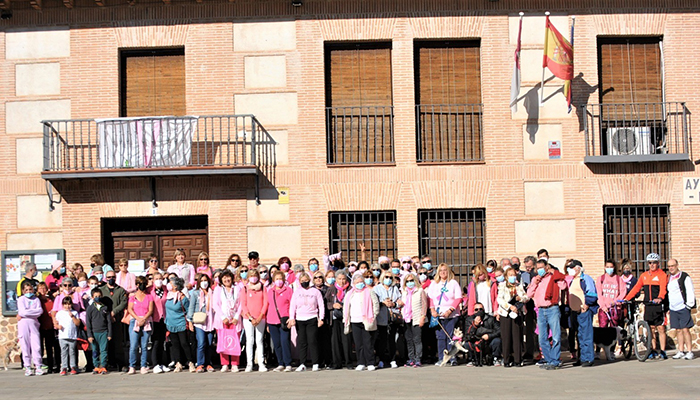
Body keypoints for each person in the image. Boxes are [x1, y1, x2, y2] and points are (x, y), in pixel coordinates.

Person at [624, 253, 669, 359]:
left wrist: (660, 297)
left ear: (658, 263)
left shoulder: (662, 275)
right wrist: (627, 298)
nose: (652, 265)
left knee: (661, 328)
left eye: (654, 263)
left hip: (658, 305)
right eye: (650, 263)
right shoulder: (644, 275)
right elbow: (636, 288)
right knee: (651, 328)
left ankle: (662, 351)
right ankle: (653, 349)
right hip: (648, 305)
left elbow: (663, 288)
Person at [526, 258, 567, 370]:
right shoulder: (535, 279)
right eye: (538, 268)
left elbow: (563, 286)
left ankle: (555, 360)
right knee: (542, 338)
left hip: (552, 308)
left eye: (541, 268)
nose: (539, 270)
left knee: (556, 336)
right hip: (540, 310)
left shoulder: (553, 277)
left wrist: (555, 274)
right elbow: (529, 294)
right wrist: (535, 283)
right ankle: (549, 360)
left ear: (546, 267)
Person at [427, 263, 462, 366]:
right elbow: (430, 298)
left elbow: (458, 298)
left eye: (445, 270)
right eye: (441, 270)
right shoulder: (434, 284)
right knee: (441, 337)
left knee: (450, 336)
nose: (443, 272)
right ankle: (442, 358)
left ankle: (452, 357)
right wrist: (432, 310)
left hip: (451, 315)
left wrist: (450, 311)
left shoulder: (453, 283)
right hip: (438, 314)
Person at [288, 272, 325, 372]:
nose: (304, 282)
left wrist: (321, 318)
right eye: (302, 281)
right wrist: (292, 318)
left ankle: (315, 363)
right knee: (302, 342)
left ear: (309, 280)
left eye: (306, 280)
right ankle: (302, 363)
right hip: (300, 319)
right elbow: (292, 306)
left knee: (312, 341)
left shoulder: (315, 292)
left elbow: (321, 305)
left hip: (312, 318)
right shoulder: (296, 292)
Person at [343, 273, 380, 371]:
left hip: (367, 321)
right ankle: (361, 362)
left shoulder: (369, 291)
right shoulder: (350, 293)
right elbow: (346, 307)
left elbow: (375, 304)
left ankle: (370, 362)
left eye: (361, 282)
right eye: (357, 282)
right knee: (358, 343)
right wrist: (346, 319)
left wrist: (373, 316)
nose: (360, 284)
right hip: (355, 321)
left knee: (368, 343)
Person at [566, 260, 598, 367]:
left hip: (584, 311)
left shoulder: (586, 279)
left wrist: (587, 305)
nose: (570, 270)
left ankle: (588, 358)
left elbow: (592, 293)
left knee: (586, 335)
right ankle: (581, 357)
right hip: (575, 311)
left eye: (572, 267)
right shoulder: (573, 280)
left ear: (578, 268)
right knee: (579, 335)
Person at [497, 267, 529, 367]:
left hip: (517, 313)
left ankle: (518, 359)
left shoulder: (519, 286)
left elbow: (526, 297)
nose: (513, 277)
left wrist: (521, 298)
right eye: (510, 275)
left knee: (517, 336)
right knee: (506, 336)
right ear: (506, 276)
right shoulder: (502, 286)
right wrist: (509, 306)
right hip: (506, 313)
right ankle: (507, 359)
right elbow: (499, 299)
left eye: (514, 275)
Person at [212, 270, 243, 372]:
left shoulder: (237, 288)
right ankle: (224, 363)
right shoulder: (218, 289)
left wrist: (237, 316)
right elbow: (215, 304)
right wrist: (223, 317)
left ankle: (235, 364)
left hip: (234, 319)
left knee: (235, 341)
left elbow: (241, 303)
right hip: (222, 320)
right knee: (223, 341)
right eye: (224, 278)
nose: (226, 280)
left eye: (228, 277)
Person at [666, 259, 695, 360]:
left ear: (677, 265)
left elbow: (690, 290)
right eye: (669, 266)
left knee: (685, 329)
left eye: (673, 266)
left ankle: (689, 351)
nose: (671, 268)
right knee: (678, 330)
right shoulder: (669, 278)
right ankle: (681, 351)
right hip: (673, 308)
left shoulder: (684, 276)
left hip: (683, 307)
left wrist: (689, 305)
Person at [373, 270, 403, 369]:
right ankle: (381, 359)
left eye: (390, 277)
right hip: (381, 317)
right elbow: (374, 302)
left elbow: (400, 302)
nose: (388, 279)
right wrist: (383, 303)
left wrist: (394, 304)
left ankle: (393, 359)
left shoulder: (395, 289)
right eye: (386, 277)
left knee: (392, 340)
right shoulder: (377, 289)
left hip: (392, 317)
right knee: (382, 340)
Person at [165, 277, 195, 372]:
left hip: (181, 323)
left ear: (175, 286)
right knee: (175, 344)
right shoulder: (168, 296)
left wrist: (190, 322)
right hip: (171, 324)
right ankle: (178, 363)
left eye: (171, 283)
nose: (169, 285)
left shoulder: (182, 297)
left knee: (184, 343)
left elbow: (188, 310)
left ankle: (190, 362)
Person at [100, 270, 128, 371]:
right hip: (104, 320)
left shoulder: (120, 290)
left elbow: (123, 303)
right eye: (108, 277)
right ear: (105, 278)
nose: (111, 279)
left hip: (116, 319)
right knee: (105, 342)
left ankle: (121, 364)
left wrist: (113, 312)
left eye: (113, 277)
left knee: (118, 342)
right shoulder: (101, 290)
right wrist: (107, 314)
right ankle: (106, 363)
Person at [240, 268, 268, 372]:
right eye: (251, 276)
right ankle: (249, 364)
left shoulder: (263, 287)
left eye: (255, 275)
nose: (253, 278)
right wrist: (250, 317)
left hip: (260, 318)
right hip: (248, 318)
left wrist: (260, 316)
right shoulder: (245, 289)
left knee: (259, 340)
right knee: (250, 340)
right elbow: (243, 304)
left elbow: (266, 303)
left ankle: (261, 363)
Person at [187, 274, 215, 372]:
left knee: (209, 343)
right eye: (202, 281)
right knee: (201, 343)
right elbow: (191, 307)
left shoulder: (212, 293)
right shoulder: (196, 293)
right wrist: (190, 321)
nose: (204, 283)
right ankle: (200, 364)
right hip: (199, 322)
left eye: (205, 280)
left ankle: (208, 363)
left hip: (210, 321)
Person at [17, 281, 46, 376]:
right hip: (23, 323)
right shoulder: (21, 299)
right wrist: (31, 312)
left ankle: (38, 366)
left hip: (34, 324)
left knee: (36, 345)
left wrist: (28, 312)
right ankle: (27, 366)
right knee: (25, 345)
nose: (29, 291)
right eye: (26, 290)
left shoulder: (36, 299)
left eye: (30, 289)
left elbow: (39, 311)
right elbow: (22, 312)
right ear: (23, 291)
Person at [126, 276, 154, 374]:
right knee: (133, 345)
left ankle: (143, 365)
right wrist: (138, 319)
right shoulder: (132, 297)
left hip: (146, 321)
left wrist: (144, 319)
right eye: (140, 284)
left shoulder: (149, 296)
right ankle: (132, 366)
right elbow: (130, 309)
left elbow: (151, 310)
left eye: (144, 284)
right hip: (135, 321)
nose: (142, 286)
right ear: (137, 285)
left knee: (144, 345)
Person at [325, 270, 352, 370]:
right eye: (339, 279)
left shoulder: (350, 289)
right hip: (335, 318)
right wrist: (333, 305)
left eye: (343, 279)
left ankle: (349, 362)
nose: (342, 281)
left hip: (346, 317)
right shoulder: (331, 289)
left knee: (346, 340)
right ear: (336, 279)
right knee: (335, 341)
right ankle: (337, 363)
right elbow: (325, 302)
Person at [266, 271, 292, 372]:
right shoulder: (270, 291)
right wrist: (267, 323)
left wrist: (291, 318)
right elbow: (268, 305)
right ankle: (280, 363)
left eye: (280, 279)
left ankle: (288, 363)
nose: (279, 281)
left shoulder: (288, 290)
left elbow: (291, 304)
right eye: (276, 279)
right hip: (272, 320)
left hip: (284, 320)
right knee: (276, 343)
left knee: (284, 341)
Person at [401, 273, 427, 367]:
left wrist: (423, 317)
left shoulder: (420, 290)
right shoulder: (404, 292)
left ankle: (418, 359)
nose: (410, 283)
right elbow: (403, 303)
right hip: (407, 318)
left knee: (417, 339)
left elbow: (424, 305)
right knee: (409, 339)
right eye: (407, 281)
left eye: (411, 280)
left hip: (417, 317)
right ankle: (411, 358)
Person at [86, 287, 112, 375]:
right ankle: (96, 366)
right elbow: (88, 322)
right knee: (95, 350)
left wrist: (109, 334)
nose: (98, 298)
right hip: (94, 333)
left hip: (104, 332)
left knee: (104, 350)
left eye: (99, 296)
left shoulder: (105, 308)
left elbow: (109, 322)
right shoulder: (90, 308)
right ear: (92, 297)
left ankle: (103, 366)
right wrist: (89, 335)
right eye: (96, 296)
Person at [148, 272, 170, 373]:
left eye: (160, 278)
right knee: (155, 342)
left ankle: (161, 363)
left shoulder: (165, 289)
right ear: (153, 280)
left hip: (164, 318)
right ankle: (155, 363)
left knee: (162, 341)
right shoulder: (150, 290)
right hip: (154, 319)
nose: (159, 281)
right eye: (156, 279)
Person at [36, 282, 60, 373]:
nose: (42, 290)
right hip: (39, 326)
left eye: (44, 288)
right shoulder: (36, 300)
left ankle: (51, 366)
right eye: (40, 288)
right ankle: (39, 365)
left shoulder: (51, 300)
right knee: (39, 347)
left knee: (50, 347)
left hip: (49, 326)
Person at [56, 296, 81, 375]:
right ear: (63, 305)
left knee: (72, 352)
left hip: (72, 336)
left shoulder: (75, 313)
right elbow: (56, 323)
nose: (67, 306)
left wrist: (72, 317)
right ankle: (64, 367)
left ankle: (73, 366)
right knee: (64, 352)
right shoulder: (59, 313)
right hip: (62, 336)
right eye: (65, 304)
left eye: (69, 304)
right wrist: (58, 326)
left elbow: (77, 323)